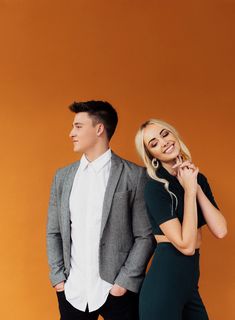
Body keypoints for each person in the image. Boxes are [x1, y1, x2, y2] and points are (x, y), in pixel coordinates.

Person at [46, 100, 156, 320]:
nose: (71, 133)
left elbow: (145, 236)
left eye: (78, 126)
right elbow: (54, 231)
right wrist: (58, 279)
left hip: (117, 291)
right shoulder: (63, 177)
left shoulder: (134, 176)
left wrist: (123, 283)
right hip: (73, 291)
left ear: (99, 129)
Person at [135, 118, 227, 320]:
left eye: (165, 134)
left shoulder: (196, 179)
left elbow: (220, 230)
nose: (164, 142)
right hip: (165, 282)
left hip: (188, 282)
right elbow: (186, 246)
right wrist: (189, 191)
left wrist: (195, 186)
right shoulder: (155, 186)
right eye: (154, 143)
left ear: (174, 134)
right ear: (152, 155)